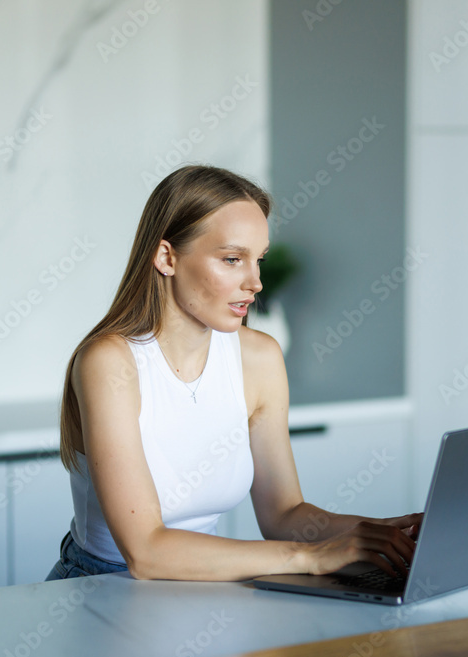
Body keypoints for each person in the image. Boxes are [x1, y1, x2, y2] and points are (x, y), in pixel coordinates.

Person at [46, 164, 421, 582]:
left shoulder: (259, 358)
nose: (255, 282)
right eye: (232, 259)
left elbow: (283, 514)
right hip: (102, 585)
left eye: (257, 260)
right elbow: (147, 552)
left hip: (202, 584)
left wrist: (380, 534)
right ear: (167, 257)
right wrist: (310, 558)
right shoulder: (109, 362)